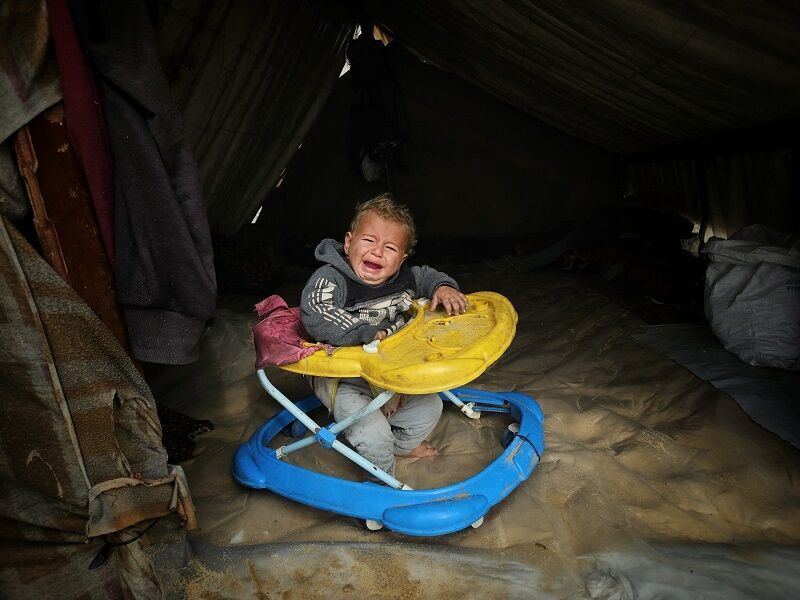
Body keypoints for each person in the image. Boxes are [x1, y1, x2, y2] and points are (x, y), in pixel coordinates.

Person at [300, 193, 468, 478]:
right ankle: (383, 479)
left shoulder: (406, 276)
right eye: (368, 241)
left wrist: (442, 287)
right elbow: (317, 313)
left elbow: (426, 275)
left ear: (401, 258)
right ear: (349, 242)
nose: (377, 252)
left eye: (390, 247)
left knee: (431, 407)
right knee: (372, 433)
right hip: (344, 379)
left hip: (391, 375)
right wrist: (364, 333)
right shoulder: (331, 278)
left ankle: (400, 447)